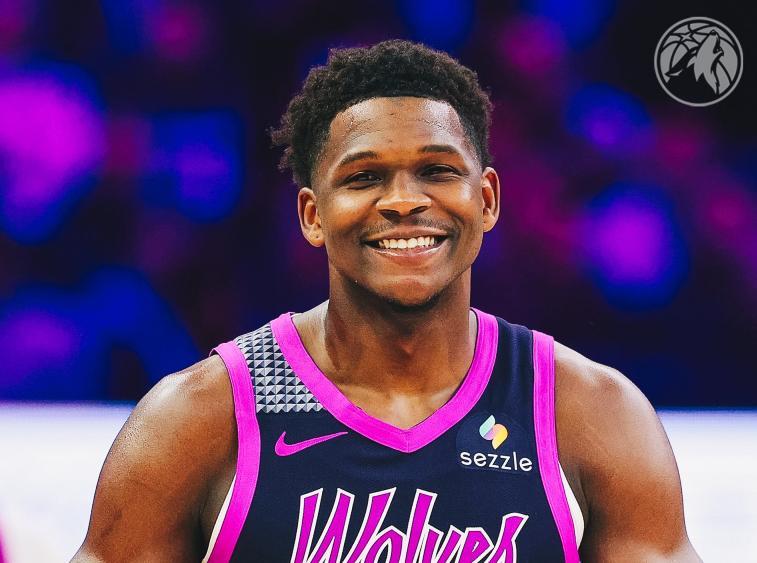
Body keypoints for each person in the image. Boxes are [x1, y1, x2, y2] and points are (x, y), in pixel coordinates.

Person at [73, 39, 701, 562]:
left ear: (486, 200)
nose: (403, 201)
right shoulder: (202, 417)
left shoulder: (589, 413)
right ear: (313, 215)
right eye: (364, 177)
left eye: (437, 171)